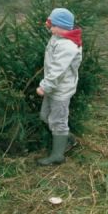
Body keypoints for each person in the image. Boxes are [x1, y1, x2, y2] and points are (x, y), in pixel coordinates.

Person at [36, 8, 82, 166]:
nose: (49, 27)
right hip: (53, 88)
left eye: (52, 24)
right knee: (45, 116)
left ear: (62, 26)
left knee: (57, 121)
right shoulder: (58, 37)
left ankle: (57, 155)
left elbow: (57, 70)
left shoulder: (67, 46)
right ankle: (68, 138)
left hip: (60, 91)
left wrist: (45, 86)